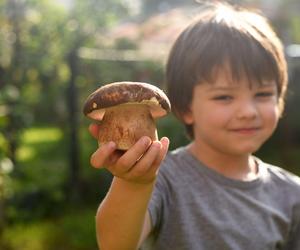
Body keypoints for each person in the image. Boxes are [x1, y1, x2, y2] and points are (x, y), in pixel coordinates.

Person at [88, 2, 300, 249]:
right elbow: (115, 244)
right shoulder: (161, 178)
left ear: (280, 100)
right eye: (224, 97)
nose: (248, 112)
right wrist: (134, 183)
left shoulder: (291, 195)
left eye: (263, 94)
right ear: (186, 108)